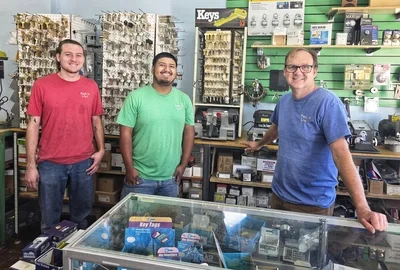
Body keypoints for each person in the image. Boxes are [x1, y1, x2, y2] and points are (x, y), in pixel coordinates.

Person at [244, 48, 387, 233]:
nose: (298, 72)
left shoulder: (328, 104)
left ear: (315, 71)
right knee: (278, 251)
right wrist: (259, 144)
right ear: (285, 71)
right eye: (292, 67)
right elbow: (276, 128)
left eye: (305, 67)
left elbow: (341, 154)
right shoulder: (284, 101)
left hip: (312, 203)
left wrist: (362, 206)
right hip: (279, 195)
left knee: (308, 259)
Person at [25, 39, 104, 232]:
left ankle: (76, 260)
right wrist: (30, 165)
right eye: (68, 54)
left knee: (81, 218)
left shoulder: (91, 86)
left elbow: (96, 121)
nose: (74, 59)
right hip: (50, 162)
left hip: (83, 163)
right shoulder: (42, 85)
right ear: (58, 57)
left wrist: (101, 150)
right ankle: (50, 258)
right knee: (49, 220)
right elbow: (33, 125)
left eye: (78, 55)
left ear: (84, 59)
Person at [117, 52, 194, 199]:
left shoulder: (184, 100)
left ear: (176, 72)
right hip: (140, 177)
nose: (167, 69)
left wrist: (183, 165)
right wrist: (130, 168)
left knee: (166, 220)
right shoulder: (136, 97)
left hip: (170, 178)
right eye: (162, 65)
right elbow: (125, 134)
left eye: (172, 66)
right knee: (134, 220)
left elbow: (189, 133)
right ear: (153, 69)